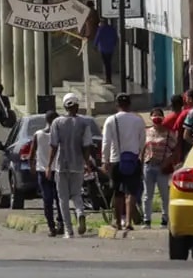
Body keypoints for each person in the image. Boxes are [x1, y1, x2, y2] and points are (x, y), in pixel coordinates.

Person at [47, 93, 96, 238]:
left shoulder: (57, 122)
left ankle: (69, 230)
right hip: (78, 165)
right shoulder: (84, 123)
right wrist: (87, 163)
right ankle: (80, 212)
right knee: (76, 194)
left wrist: (49, 165)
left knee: (63, 198)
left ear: (64, 106)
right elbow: (86, 146)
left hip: (62, 165)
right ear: (77, 106)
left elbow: (54, 145)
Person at [101, 93, 147, 232]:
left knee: (118, 192)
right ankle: (128, 221)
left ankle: (118, 222)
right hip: (133, 159)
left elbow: (106, 142)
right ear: (130, 104)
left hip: (116, 160)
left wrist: (105, 160)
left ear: (117, 105)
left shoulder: (111, 120)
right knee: (131, 192)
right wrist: (139, 154)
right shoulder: (138, 120)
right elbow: (143, 141)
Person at [142, 109, 177, 228]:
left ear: (163, 118)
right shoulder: (146, 132)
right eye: (154, 115)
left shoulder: (168, 133)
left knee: (164, 195)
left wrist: (168, 161)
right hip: (148, 166)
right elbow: (142, 149)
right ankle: (147, 220)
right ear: (150, 117)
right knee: (147, 195)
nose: (156, 118)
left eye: (159, 115)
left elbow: (175, 150)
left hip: (162, 167)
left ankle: (164, 219)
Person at [93, 19, 118, 84]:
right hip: (110, 49)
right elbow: (115, 37)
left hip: (103, 49)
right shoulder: (112, 29)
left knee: (106, 64)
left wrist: (95, 46)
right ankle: (109, 78)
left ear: (102, 23)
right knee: (108, 64)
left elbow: (97, 38)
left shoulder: (101, 29)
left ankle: (108, 79)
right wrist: (114, 44)